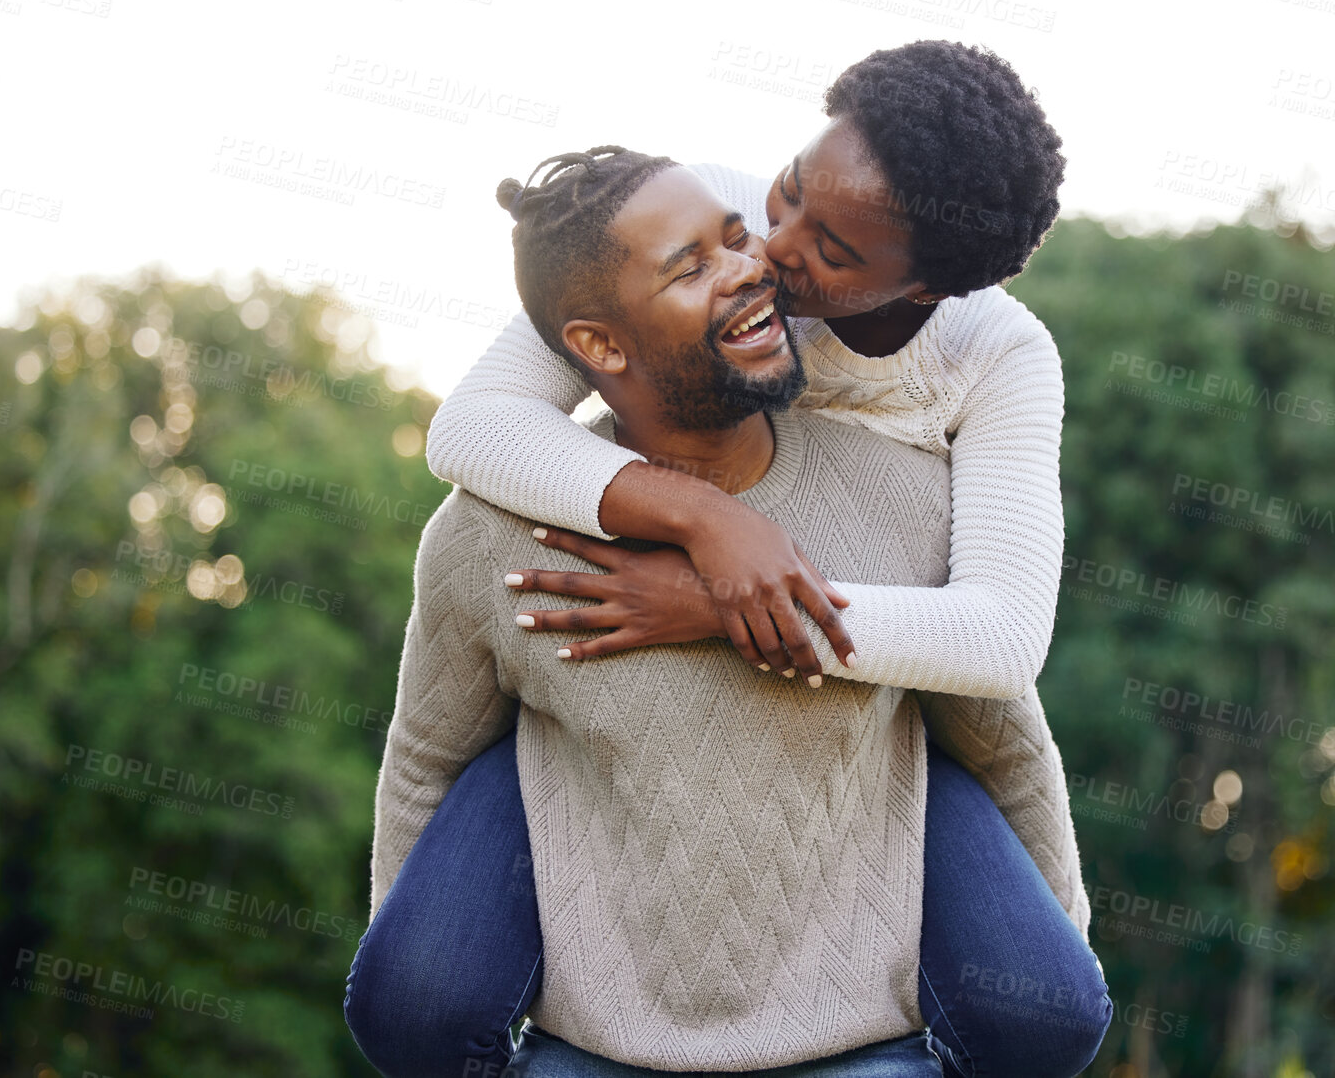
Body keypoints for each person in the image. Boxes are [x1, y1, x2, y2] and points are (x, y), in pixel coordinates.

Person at [346, 147, 1109, 1077]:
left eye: (735, 242)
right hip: (587, 1047)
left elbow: (1004, 740)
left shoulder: (921, 482)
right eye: (692, 262)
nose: (760, 265)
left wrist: (1054, 956)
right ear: (598, 348)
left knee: (1054, 1015)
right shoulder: (489, 538)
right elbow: (427, 760)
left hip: (863, 1046)